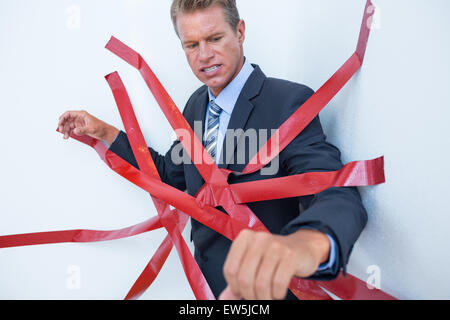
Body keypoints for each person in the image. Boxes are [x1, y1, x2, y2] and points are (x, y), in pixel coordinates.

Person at [58, 0, 367, 300]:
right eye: (191, 45)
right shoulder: (194, 106)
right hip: (207, 288)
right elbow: (170, 176)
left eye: (215, 38)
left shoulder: (287, 101)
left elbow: (334, 189)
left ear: (240, 32)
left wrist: (304, 245)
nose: (204, 55)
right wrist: (105, 132)